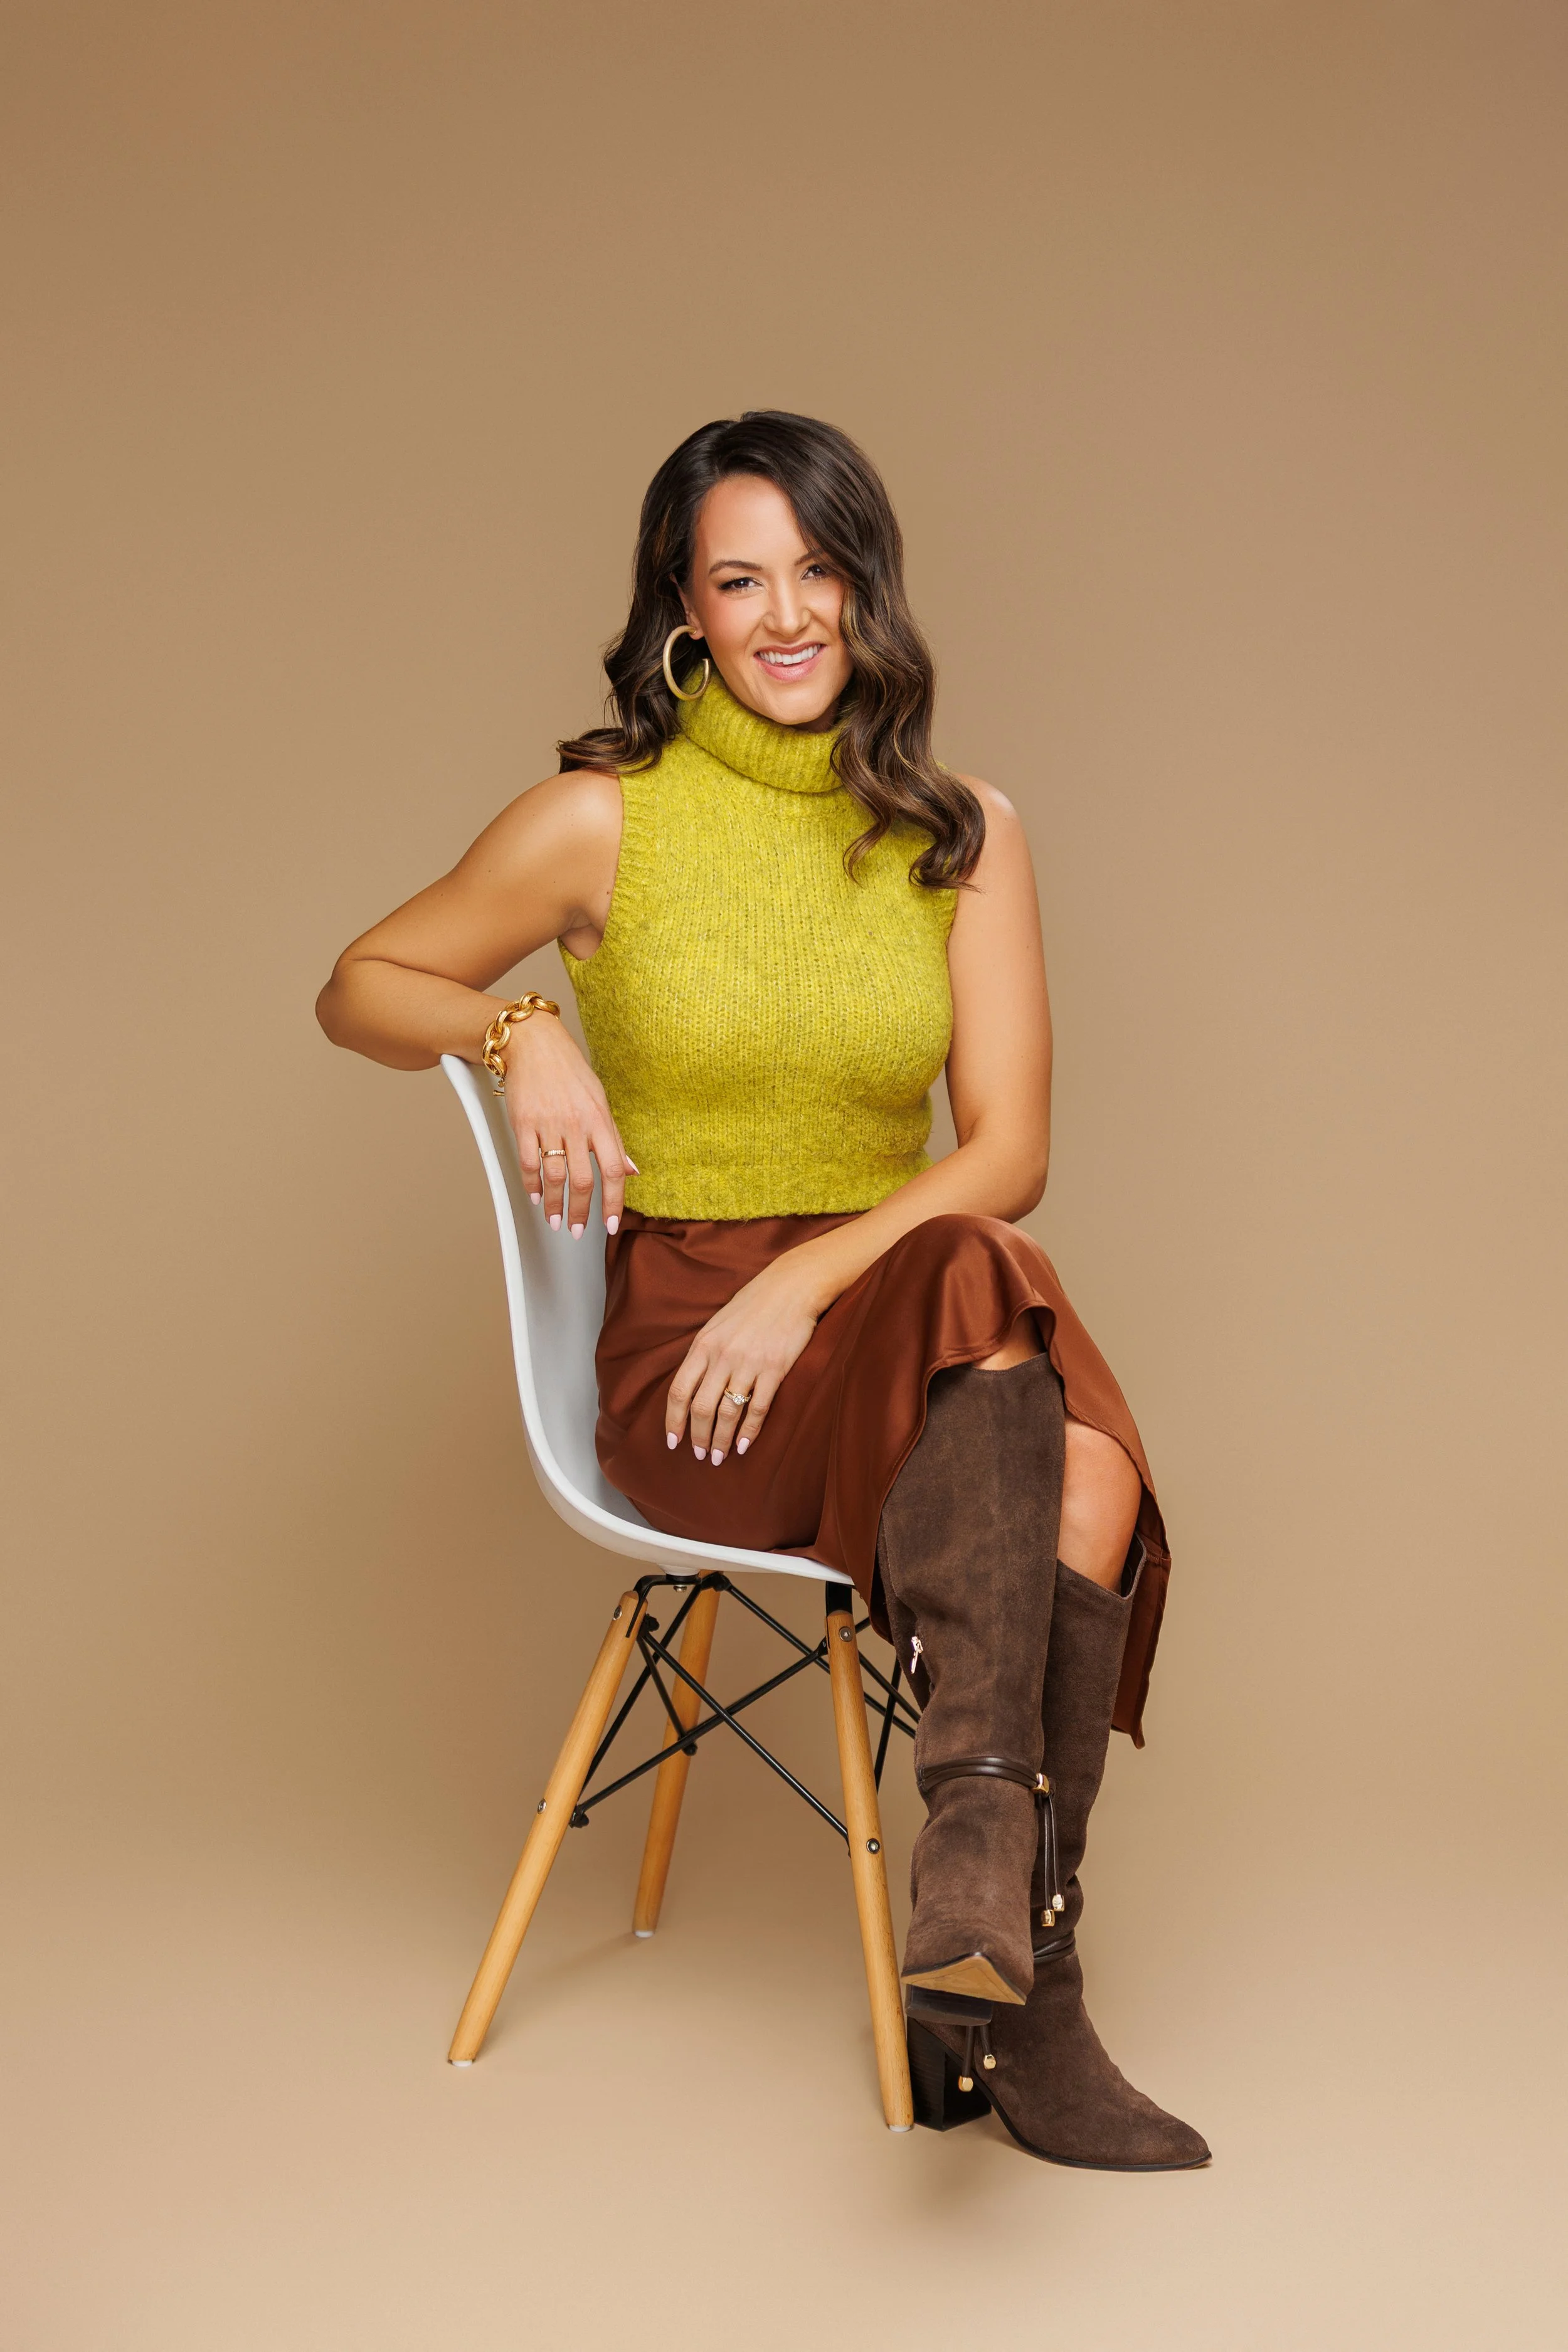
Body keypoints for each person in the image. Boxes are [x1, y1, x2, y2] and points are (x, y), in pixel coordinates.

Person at [316, 410, 1207, 2169]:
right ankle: (1018, 1966)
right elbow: (359, 981)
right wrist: (517, 1032)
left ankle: (998, 1927)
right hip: (698, 1372)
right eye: (741, 578)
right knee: (1034, 1376)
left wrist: (808, 1278)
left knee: (993, 1293)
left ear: (870, 592)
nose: (787, 613)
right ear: (685, 610)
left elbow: (1003, 1145)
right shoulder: (601, 822)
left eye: (819, 570)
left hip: (879, 1312)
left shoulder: (963, 835)